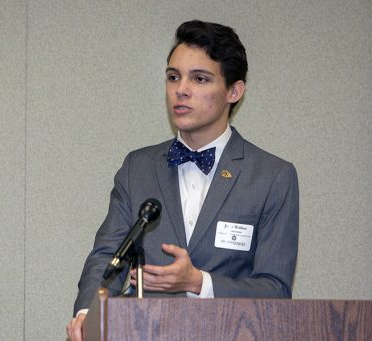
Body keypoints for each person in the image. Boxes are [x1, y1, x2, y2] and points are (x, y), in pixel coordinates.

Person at [66, 19, 299, 341]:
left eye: (199, 78)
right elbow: (107, 255)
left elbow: (275, 290)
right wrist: (89, 314)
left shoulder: (272, 176)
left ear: (234, 91)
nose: (181, 89)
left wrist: (197, 282)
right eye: (173, 77)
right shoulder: (138, 167)